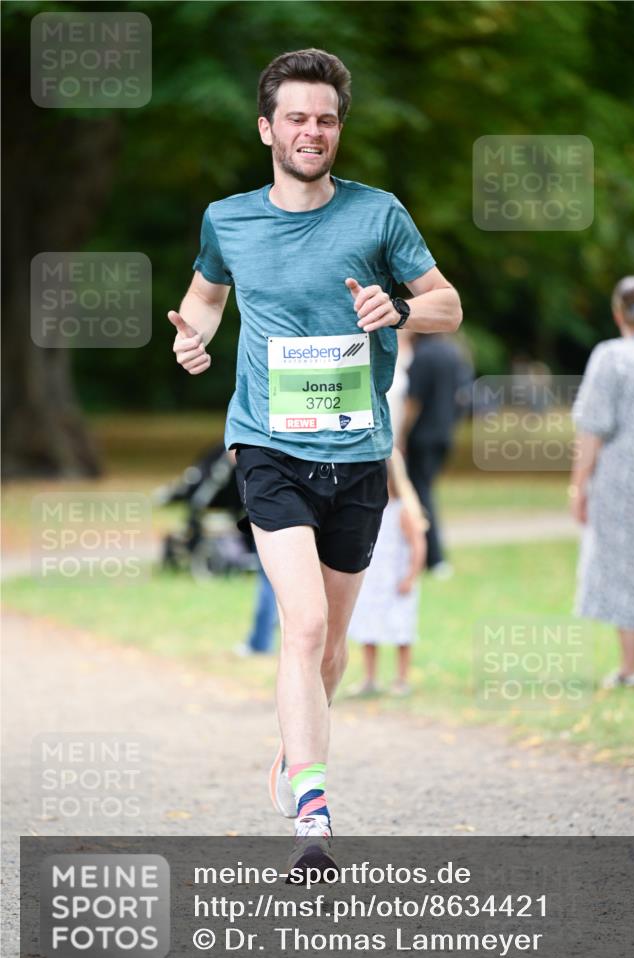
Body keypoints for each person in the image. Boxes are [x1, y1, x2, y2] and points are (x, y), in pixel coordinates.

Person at [168, 48, 462, 872]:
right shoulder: (228, 219)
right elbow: (206, 295)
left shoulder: (378, 215)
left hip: (358, 452)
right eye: (295, 117)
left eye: (325, 119)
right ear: (266, 128)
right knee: (301, 626)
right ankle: (314, 811)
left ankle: (294, 753)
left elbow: (445, 305)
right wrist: (193, 336)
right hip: (268, 444)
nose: (311, 131)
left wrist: (395, 307)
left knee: (329, 645)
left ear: (338, 130)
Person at [570, 275, 634, 688]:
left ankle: (629, 667)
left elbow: (593, 427)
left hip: (620, 481)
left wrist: (578, 486)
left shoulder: (610, 357)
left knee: (626, 569)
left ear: (617, 314)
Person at [347, 449, 427, 696]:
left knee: (400, 628)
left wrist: (410, 576)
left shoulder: (402, 510)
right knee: (369, 626)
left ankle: (401, 678)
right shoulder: (369, 508)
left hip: (396, 580)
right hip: (372, 579)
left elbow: (418, 545)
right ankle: (370, 678)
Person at [399, 332, 473, 576]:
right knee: (425, 491)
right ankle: (426, 554)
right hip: (445, 434)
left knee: (420, 494)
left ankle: (433, 557)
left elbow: (413, 401)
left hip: (421, 437)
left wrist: (401, 435)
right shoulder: (453, 352)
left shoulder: (423, 355)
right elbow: (462, 396)